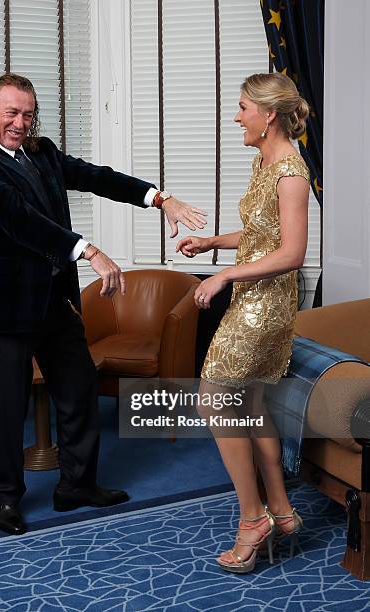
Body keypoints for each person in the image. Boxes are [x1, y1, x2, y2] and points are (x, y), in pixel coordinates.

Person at [0, 73, 207, 536]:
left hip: (55, 301)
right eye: (10, 112)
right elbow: (19, 221)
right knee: (10, 407)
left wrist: (159, 198)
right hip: (5, 308)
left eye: (27, 113)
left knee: (79, 386)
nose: (20, 122)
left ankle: (77, 484)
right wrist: (87, 250)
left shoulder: (43, 152)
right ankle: (5, 498)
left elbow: (95, 177)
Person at [176, 73, 310, 573]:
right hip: (254, 296)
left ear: (267, 114)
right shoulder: (264, 162)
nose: (236, 117)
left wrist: (224, 275)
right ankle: (281, 509)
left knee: (215, 397)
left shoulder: (292, 172)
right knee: (249, 398)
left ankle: (253, 518)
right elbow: (262, 234)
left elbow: (292, 253)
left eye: (241, 108)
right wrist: (213, 244)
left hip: (266, 306)